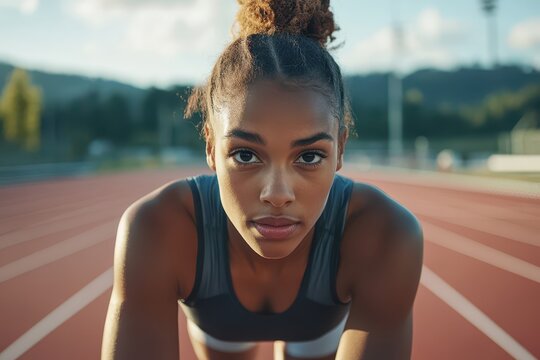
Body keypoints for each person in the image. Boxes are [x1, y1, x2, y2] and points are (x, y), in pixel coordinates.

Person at [101, 0, 424, 359]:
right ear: (210, 146)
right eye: (245, 155)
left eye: (309, 156)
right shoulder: (158, 229)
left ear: (340, 149)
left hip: (318, 329)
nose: (277, 194)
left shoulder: (385, 235)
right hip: (219, 326)